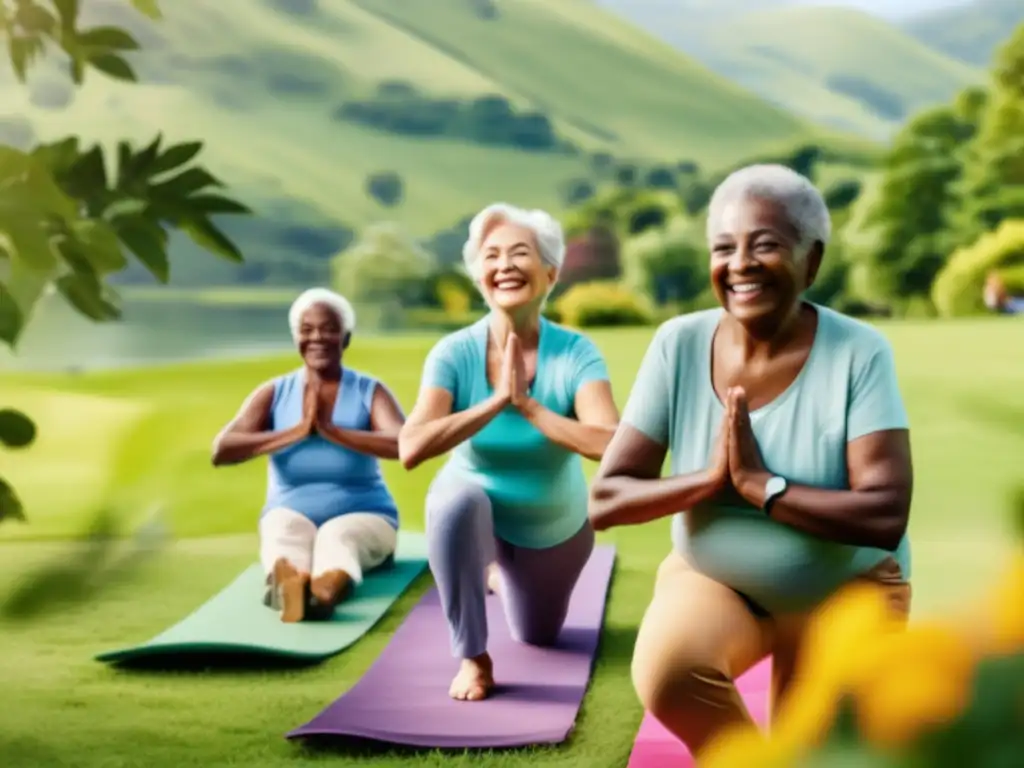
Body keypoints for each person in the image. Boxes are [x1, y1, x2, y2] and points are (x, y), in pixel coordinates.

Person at [589, 165, 914, 756]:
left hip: (846, 591)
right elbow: (606, 499)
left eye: (764, 245)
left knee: (822, 752)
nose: (740, 262)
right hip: (717, 580)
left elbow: (885, 512)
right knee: (672, 674)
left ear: (810, 261)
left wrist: (764, 487)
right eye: (724, 247)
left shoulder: (859, 352)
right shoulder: (678, 344)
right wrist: (710, 481)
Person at [399, 203, 620, 702]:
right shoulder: (454, 353)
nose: (504, 265)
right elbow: (410, 447)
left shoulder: (577, 353)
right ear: (479, 276)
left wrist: (531, 407)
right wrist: (495, 402)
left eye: (520, 253)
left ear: (550, 273)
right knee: (454, 503)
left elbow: (610, 442)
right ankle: (473, 658)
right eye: (491, 255)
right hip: (475, 501)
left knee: (538, 636)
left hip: (553, 527)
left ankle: (500, 572)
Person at [211, 288, 406, 623]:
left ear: (345, 338)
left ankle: (322, 594)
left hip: (366, 513)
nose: (318, 337)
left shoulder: (368, 390)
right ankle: (292, 589)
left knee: (337, 536)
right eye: (307, 329)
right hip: (290, 509)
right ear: (295, 339)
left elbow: (404, 444)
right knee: (281, 531)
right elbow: (222, 450)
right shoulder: (274, 392)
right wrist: (298, 431)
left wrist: (334, 431)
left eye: (329, 328)